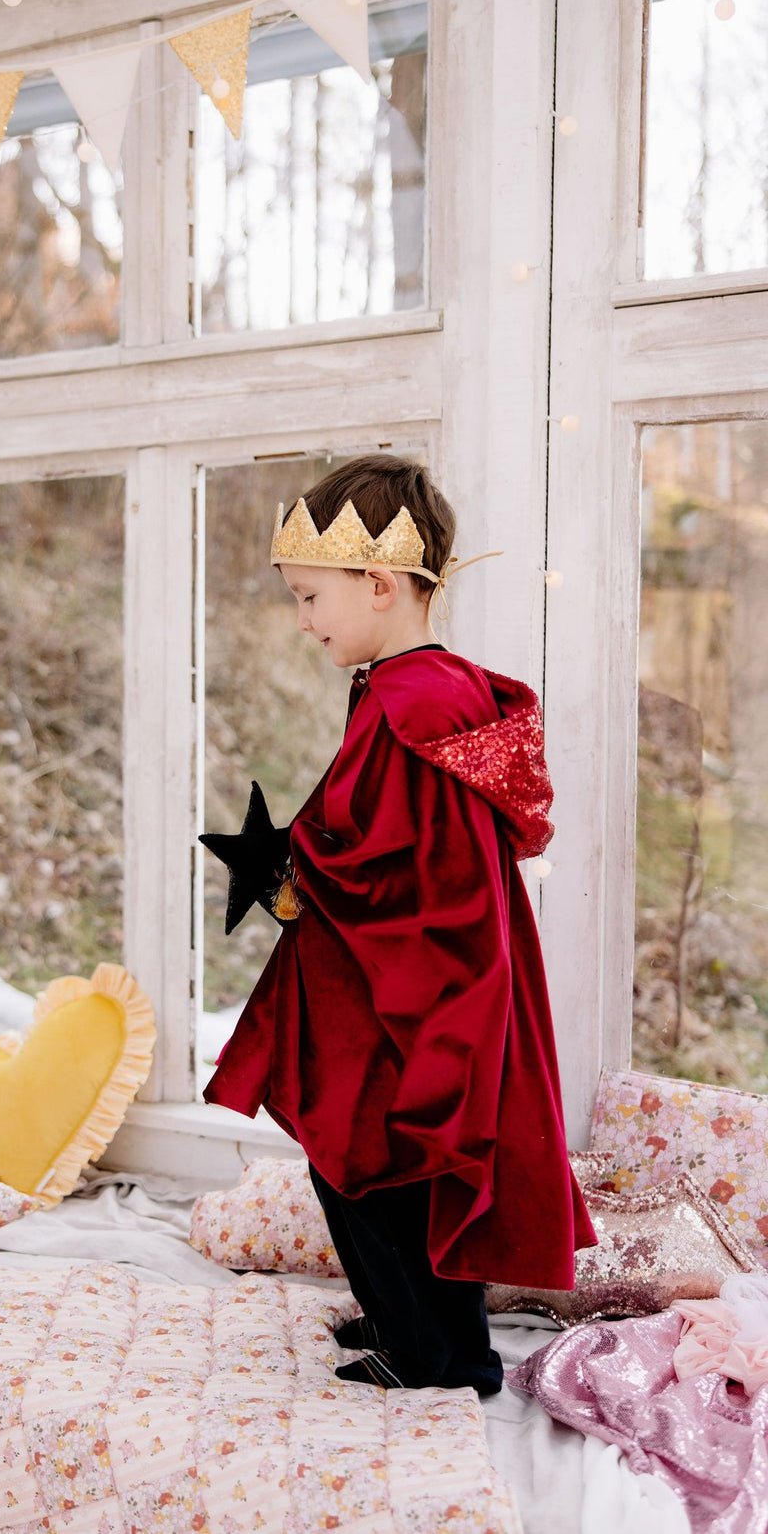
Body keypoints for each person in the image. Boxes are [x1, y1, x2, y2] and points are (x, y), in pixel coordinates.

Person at [201, 454, 596, 1394]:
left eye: (309, 597)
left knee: (377, 1166)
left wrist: (293, 871)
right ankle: (417, 1328)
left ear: (377, 584)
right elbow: (387, 835)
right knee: (372, 1162)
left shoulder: (412, 703)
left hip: (410, 992)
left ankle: (435, 1356)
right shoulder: (414, 688)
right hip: (404, 981)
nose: (303, 621)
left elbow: (417, 865)